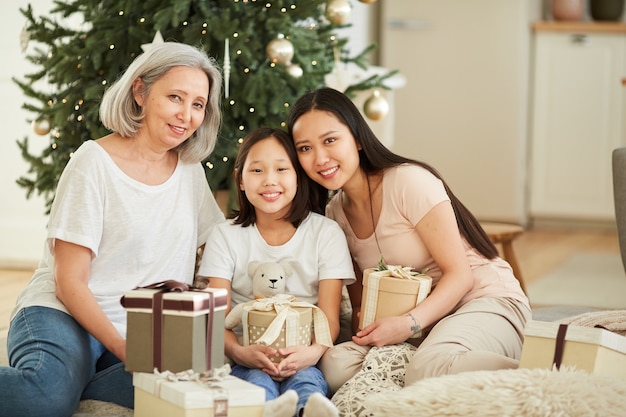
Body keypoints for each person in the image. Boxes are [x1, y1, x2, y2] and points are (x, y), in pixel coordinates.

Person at [0, 42, 225, 417]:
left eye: (198, 104)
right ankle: (64, 385)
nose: (186, 115)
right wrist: (125, 350)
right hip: (65, 313)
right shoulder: (93, 162)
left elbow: (219, 251)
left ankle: (79, 389)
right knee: (44, 398)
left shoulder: (190, 172)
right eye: (175, 97)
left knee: (193, 397)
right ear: (140, 91)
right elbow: (69, 282)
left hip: (143, 330)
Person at [286, 87, 531, 393]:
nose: (320, 158)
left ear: (358, 139)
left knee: (428, 368)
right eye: (305, 148)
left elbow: (461, 276)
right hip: (422, 325)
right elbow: (363, 304)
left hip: (482, 300)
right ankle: (430, 370)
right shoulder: (335, 214)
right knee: (335, 364)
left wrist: (408, 324)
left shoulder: (407, 181)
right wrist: (369, 325)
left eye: (330, 140)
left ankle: (547, 375)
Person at [198, 127, 355, 417]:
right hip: (245, 355)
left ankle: (308, 410)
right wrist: (239, 352)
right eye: (257, 170)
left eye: (282, 169)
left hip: (304, 355)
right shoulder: (225, 235)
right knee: (255, 382)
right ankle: (269, 410)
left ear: (298, 176)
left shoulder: (325, 233)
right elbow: (217, 316)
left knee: (307, 381)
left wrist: (312, 352)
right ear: (241, 180)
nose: (270, 180)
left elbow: (329, 318)